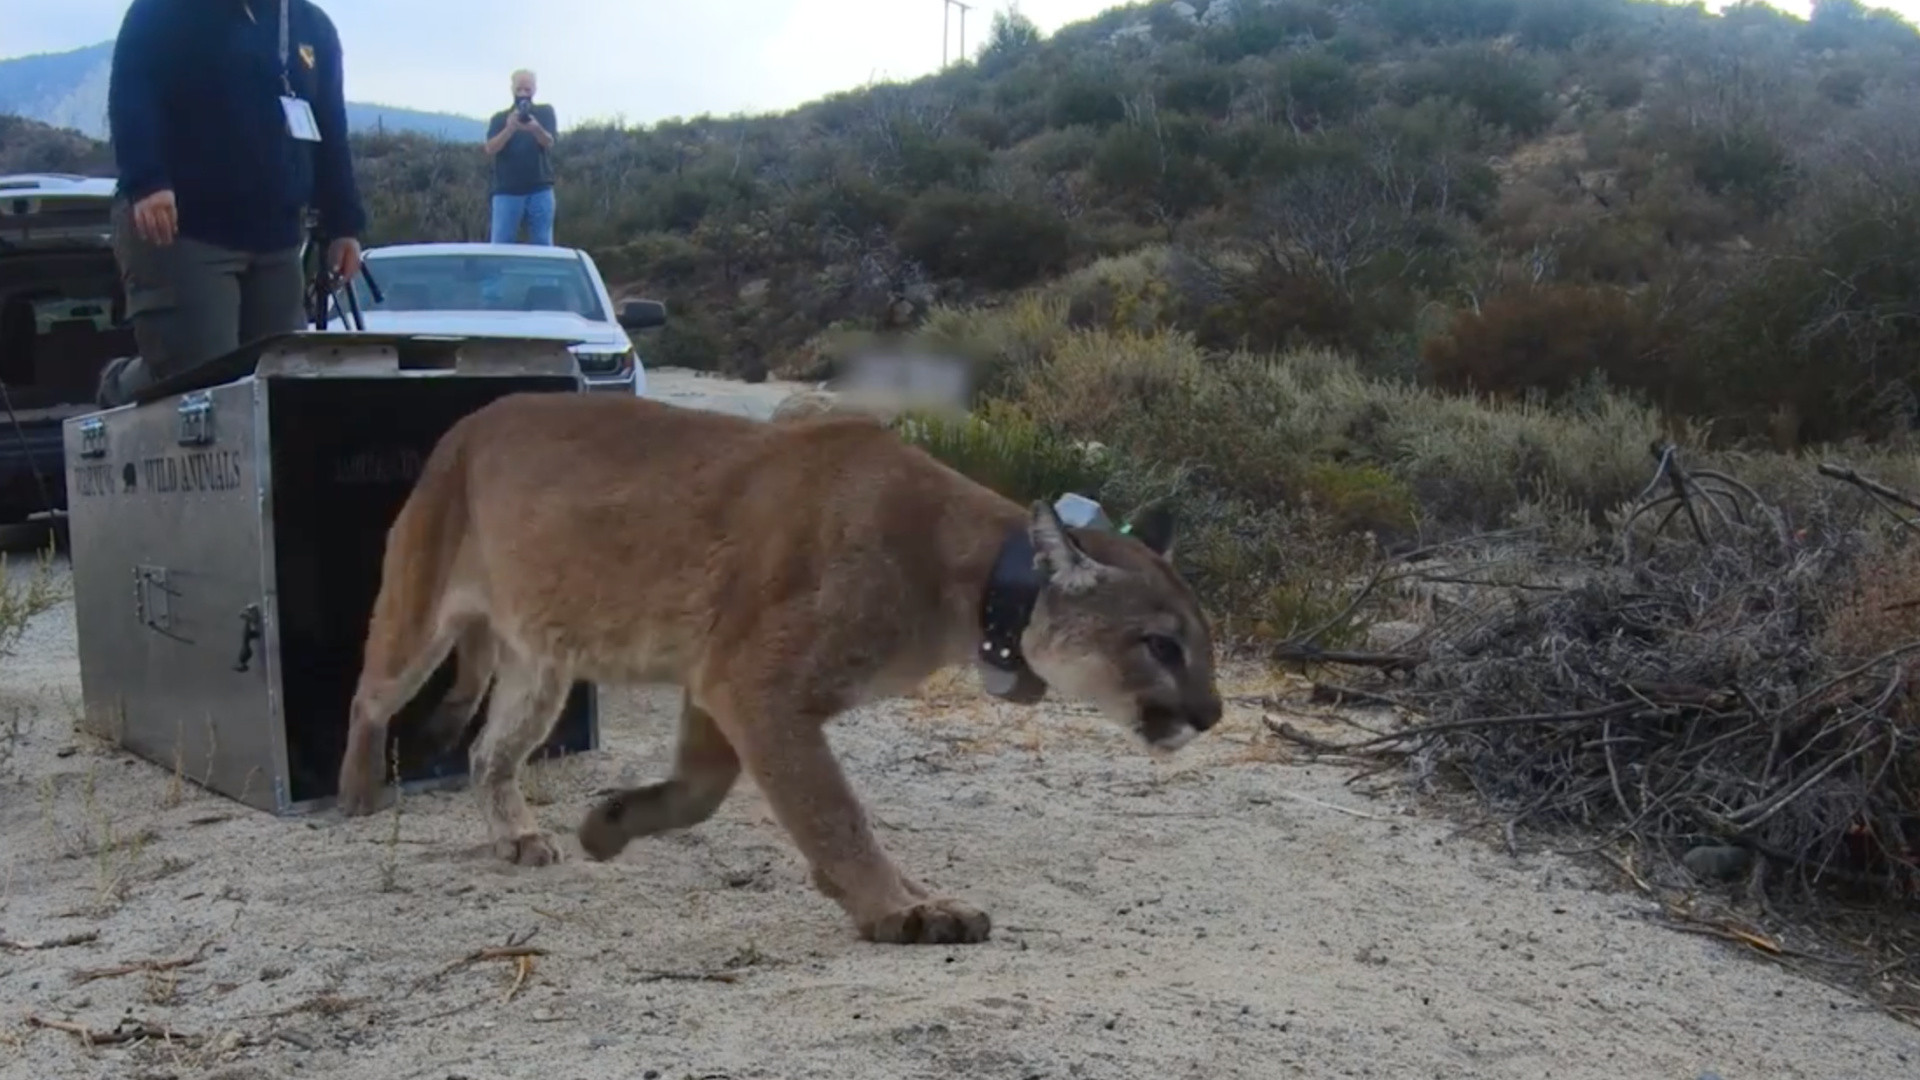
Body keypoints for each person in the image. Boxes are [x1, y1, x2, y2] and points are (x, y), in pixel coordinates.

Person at [95, 0, 367, 408]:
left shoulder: (312, 26)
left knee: (280, 377)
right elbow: (133, 91)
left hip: (275, 236)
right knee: (203, 378)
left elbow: (330, 126)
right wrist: (147, 180)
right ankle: (118, 388)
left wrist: (344, 224)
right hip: (187, 228)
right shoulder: (165, 11)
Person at [484, 70, 559, 245]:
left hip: (540, 189)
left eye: (527, 89)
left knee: (543, 244)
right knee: (501, 245)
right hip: (507, 190)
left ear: (534, 89)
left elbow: (549, 142)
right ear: (512, 89)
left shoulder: (545, 112)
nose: (524, 94)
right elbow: (490, 148)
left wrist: (535, 128)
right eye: (519, 89)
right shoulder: (500, 118)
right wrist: (509, 129)